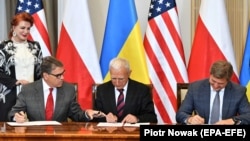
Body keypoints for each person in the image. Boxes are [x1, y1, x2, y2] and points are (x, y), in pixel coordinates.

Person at [8, 56, 104, 122]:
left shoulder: (68, 90)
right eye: (58, 75)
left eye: (63, 73)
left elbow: (76, 114)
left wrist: (87, 114)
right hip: (35, 136)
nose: (62, 78)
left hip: (60, 136)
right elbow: (13, 113)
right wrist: (17, 117)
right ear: (45, 76)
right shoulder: (28, 90)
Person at [176, 60, 250, 125]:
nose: (215, 85)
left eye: (220, 83)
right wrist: (190, 119)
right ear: (210, 75)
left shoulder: (238, 91)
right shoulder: (195, 88)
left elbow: (248, 115)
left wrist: (232, 121)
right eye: (213, 81)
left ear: (228, 81)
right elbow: (180, 114)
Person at [0, 12, 43, 121]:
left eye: (28, 28)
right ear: (14, 28)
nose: (26, 31)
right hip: (9, 95)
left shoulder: (36, 46)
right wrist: (15, 82)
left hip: (32, 96)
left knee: (33, 130)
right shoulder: (3, 47)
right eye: (22, 28)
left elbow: (40, 71)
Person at [93, 57, 157, 123]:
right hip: (109, 132)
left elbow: (152, 117)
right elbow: (94, 117)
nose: (117, 83)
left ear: (129, 73)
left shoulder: (142, 90)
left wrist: (137, 119)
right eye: (114, 78)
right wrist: (105, 118)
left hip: (133, 132)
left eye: (121, 79)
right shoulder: (102, 90)